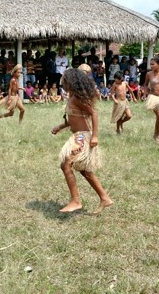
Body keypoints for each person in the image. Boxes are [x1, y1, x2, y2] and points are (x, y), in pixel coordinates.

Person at [51, 68, 113, 214]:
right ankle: (104, 198)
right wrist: (60, 126)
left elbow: (94, 113)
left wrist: (95, 136)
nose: (62, 82)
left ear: (71, 81)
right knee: (84, 170)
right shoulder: (73, 97)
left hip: (82, 137)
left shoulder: (78, 98)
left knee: (66, 165)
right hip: (79, 135)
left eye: (64, 80)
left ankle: (76, 201)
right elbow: (75, 119)